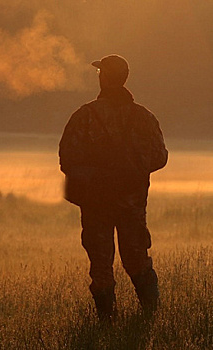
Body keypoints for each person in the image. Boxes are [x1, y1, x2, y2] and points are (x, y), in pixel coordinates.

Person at [59, 54, 168, 321]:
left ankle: (107, 324)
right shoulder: (144, 117)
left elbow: (67, 159)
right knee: (137, 260)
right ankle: (151, 319)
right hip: (132, 203)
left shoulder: (85, 116)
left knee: (101, 266)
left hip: (96, 204)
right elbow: (160, 157)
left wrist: (94, 176)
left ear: (103, 78)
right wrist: (131, 172)